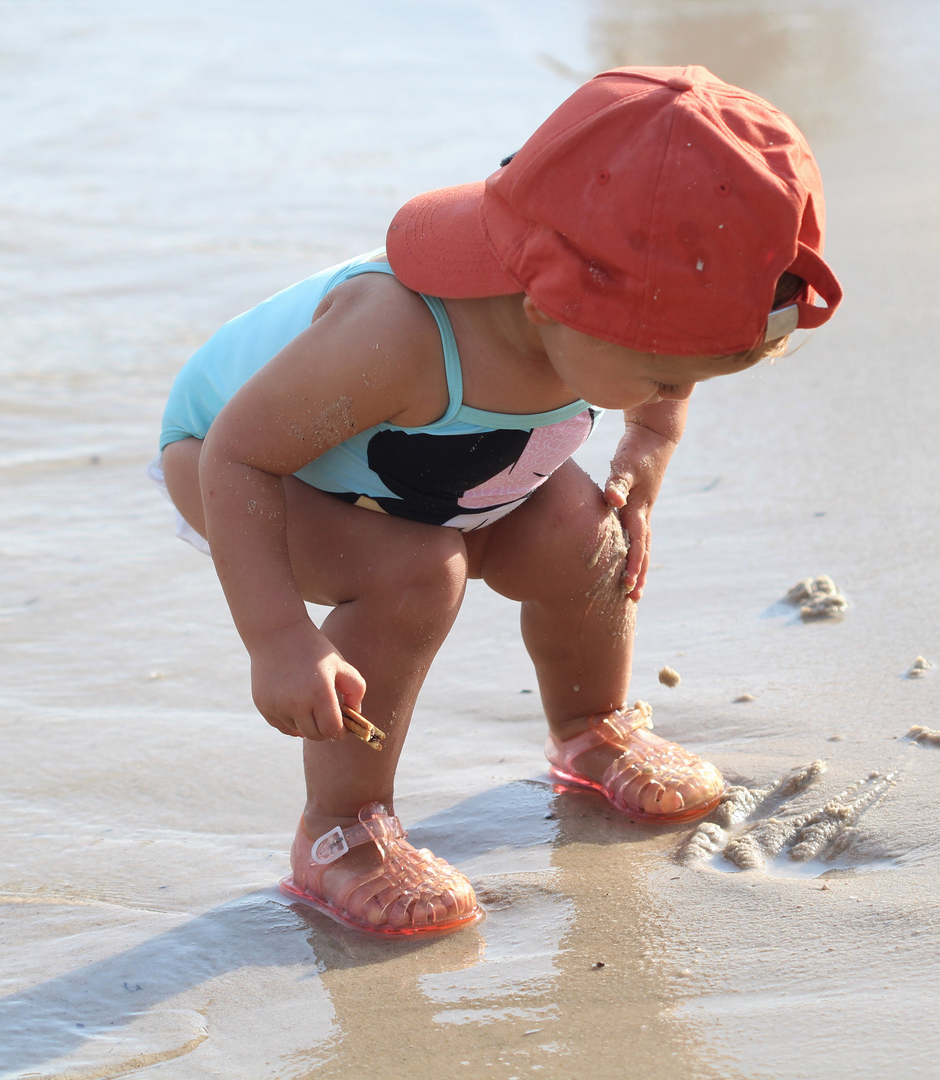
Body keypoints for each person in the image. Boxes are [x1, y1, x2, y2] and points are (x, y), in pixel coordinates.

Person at [152, 66, 841, 936]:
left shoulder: (602, 315)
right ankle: (340, 832)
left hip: (454, 466)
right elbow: (236, 457)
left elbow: (661, 387)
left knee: (589, 537)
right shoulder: (394, 336)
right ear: (555, 304)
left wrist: (647, 446)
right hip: (262, 472)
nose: (675, 390)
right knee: (416, 572)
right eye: (665, 375)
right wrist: (279, 637)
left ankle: (591, 730)